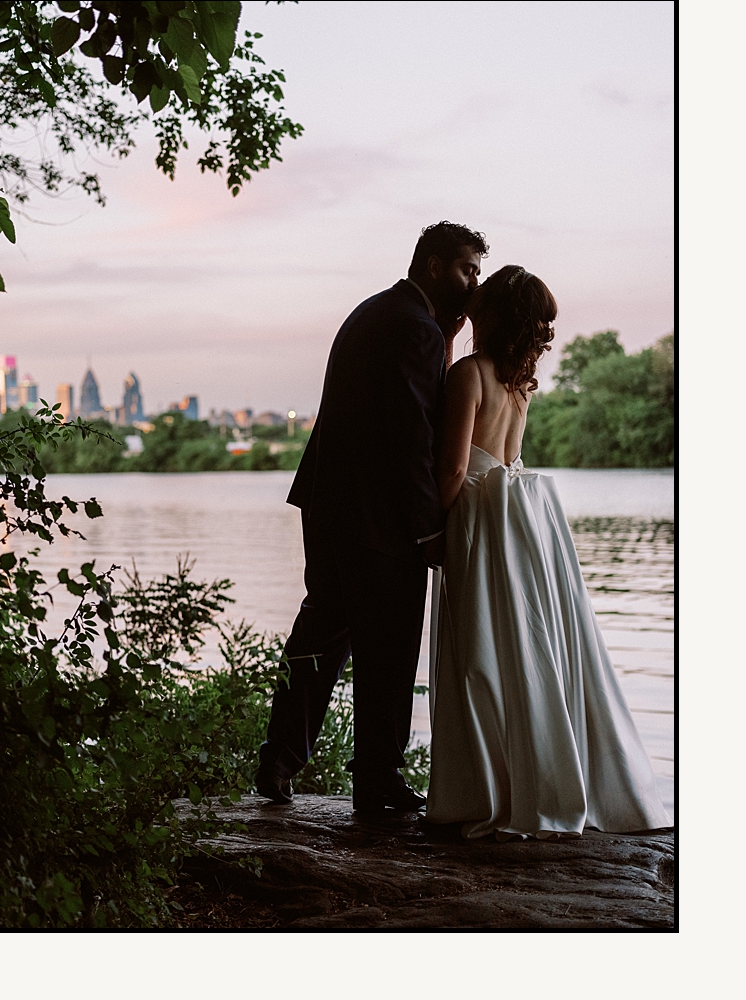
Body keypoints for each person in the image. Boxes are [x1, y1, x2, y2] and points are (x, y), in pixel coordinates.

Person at [422, 266, 670, 839]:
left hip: (480, 521)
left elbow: (457, 466)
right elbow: (505, 455)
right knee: (526, 646)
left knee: (480, 647)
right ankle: (542, 777)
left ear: (485, 317)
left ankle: (486, 788)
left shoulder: (468, 375)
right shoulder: (518, 383)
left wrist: (431, 527)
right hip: (525, 519)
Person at [252, 221, 485, 813]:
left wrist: (446, 336)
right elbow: (414, 436)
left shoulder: (378, 312)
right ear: (433, 266)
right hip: (381, 520)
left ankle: (279, 761)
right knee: (389, 647)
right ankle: (376, 776)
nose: (473, 281)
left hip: (329, 505)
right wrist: (431, 527)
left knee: (322, 632)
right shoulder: (416, 328)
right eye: (466, 269)